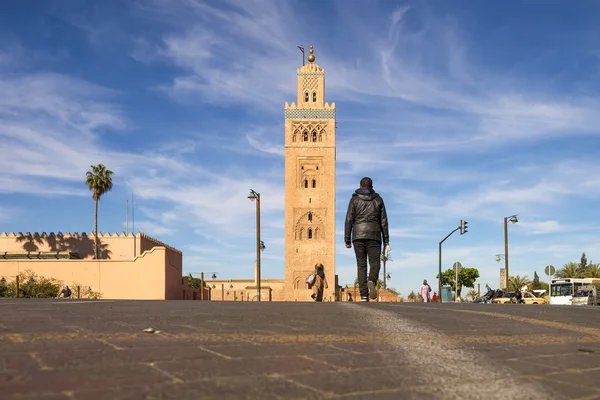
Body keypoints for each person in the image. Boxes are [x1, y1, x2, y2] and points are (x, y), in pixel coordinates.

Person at [344, 177, 390, 302]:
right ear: (372, 186)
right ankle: (371, 280)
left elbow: (349, 219)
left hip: (358, 235)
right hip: (374, 235)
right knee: (375, 263)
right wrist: (386, 239)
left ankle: (364, 295)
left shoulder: (354, 200)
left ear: (360, 186)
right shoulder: (378, 200)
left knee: (361, 265)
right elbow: (384, 221)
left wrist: (347, 239)